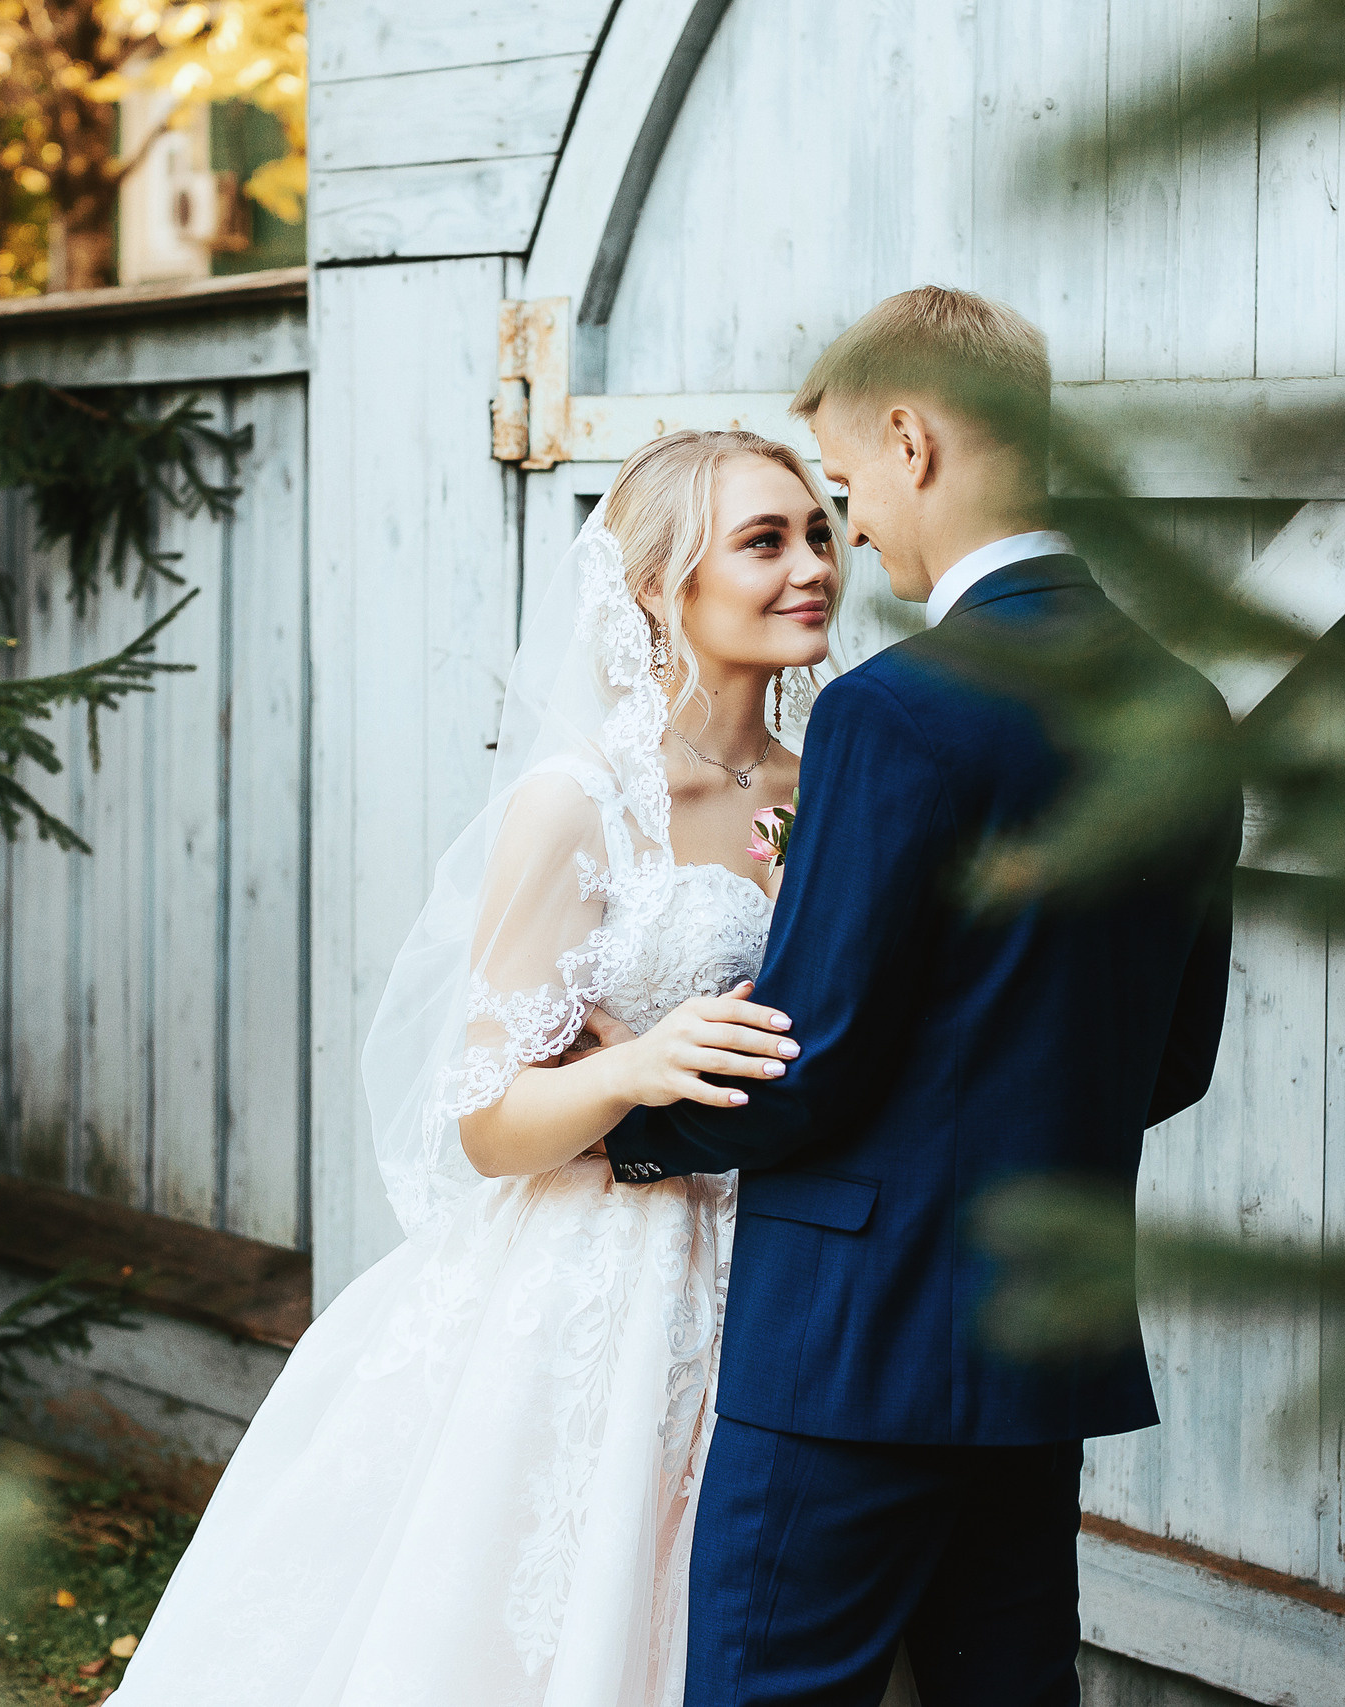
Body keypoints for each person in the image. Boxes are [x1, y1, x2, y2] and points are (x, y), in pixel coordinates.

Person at [109, 429, 842, 1706]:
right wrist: (642, 1065)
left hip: (789, 1264)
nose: (812, 567)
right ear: (661, 583)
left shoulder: (830, 780)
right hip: (603, 1277)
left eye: (820, 532)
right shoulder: (581, 803)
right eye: (765, 541)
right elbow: (489, 1121)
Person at [598, 286, 1244, 1706]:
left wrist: (621, 1122)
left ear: (910, 437)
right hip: (1038, 1341)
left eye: (843, 490)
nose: (853, 534)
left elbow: (810, 1059)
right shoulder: (1183, 701)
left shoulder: (897, 710)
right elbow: (1175, 1051)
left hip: (847, 1341)